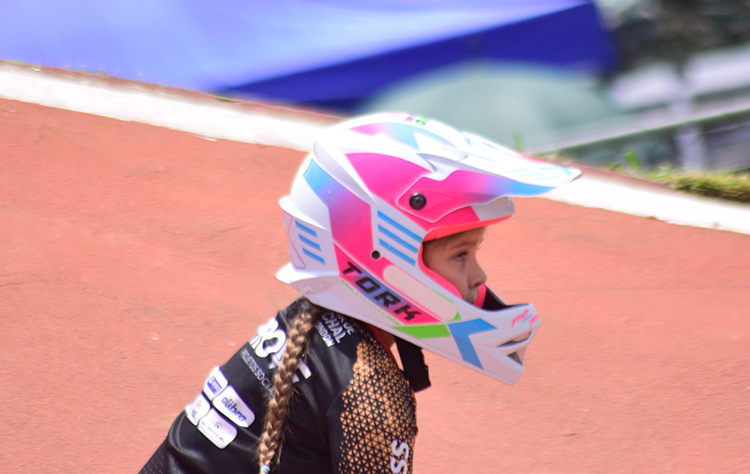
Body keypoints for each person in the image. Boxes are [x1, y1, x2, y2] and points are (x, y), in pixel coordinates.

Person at [137, 112, 580, 474]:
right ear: (384, 257)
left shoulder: (306, 323)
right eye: (460, 255)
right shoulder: (371, 396)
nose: (478, 277)